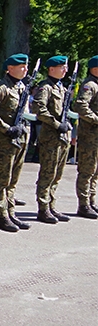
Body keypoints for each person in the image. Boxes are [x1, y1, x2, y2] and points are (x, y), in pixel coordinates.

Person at [0, 53, 32, 232]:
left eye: (26, 66)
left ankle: (11, 212)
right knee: (2, 179)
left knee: (13, 179)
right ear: (10, 68)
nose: (25, 69)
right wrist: (6, 128)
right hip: (6, 139)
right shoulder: (2, 87)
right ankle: (2, 215)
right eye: (21, 66)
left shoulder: (21, 87)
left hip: (21, 137)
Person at [33, 55, 74, 223]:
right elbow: (39, 109)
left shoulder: (62, 88)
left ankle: (51, 205)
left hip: (63, 138)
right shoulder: (46, 87)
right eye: (62, 67)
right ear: (51, 69)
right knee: (48, 173)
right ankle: (43, 208)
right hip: (50, 137)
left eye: (65, 67)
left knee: (57, 174)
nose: (65, 70)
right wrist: (57, 124)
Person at [72, 55, 98, 219]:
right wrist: (96, 119)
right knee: (87, 171)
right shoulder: (90, 85)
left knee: (95, 172)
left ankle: (91, 201)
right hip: (89, 136)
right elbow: (80, 105)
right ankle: (83, 204)